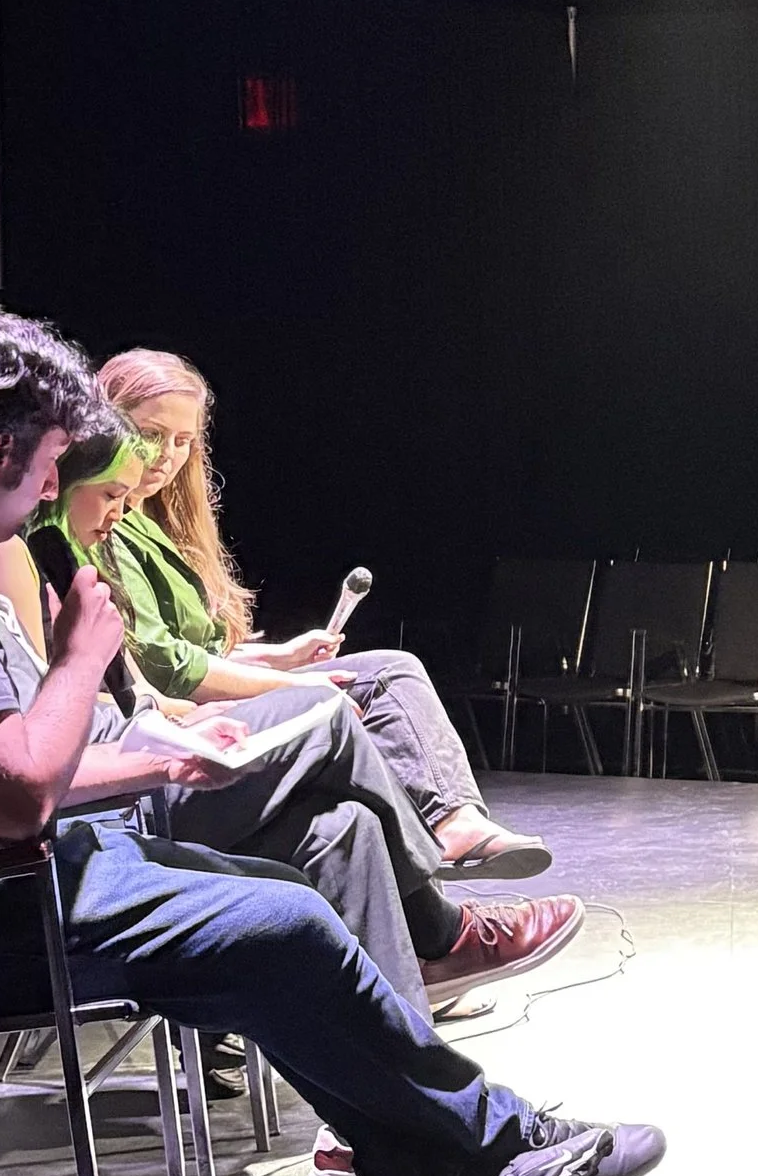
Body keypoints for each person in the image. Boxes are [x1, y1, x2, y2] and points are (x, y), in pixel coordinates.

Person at [0, 314, 660, 1176]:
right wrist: (78, 660)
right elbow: (12, 798)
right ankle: (494, 1144)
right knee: (284, 922)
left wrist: (157, 763)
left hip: (5, 883)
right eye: (48, 463)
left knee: (311, 869)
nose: (47, 491)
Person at [0, 421, 583, 1025]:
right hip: (113, 808)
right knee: (326, 714)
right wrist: (174, 734)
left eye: (184, 440)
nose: (120, 505)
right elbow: (65, 724)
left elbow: (135, 696)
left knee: (345, 826)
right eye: (109, 492)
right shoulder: (13, 556)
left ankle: (403, 1059)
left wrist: (193, 714)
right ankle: (443, 916)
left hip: (139, 754)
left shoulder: (72, 553)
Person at [96, 347, 547, 879]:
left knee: (392, 669)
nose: (167, 455)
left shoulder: (158, 520)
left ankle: (455, 820)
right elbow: (166, 666)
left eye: (183, 441)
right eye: (151, 434)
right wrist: (295, 687)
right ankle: (440, 843)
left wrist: (280, 657)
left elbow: (199, 650)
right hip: (174, 720)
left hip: (197, 693)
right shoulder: (106, 523)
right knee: (367, 687)